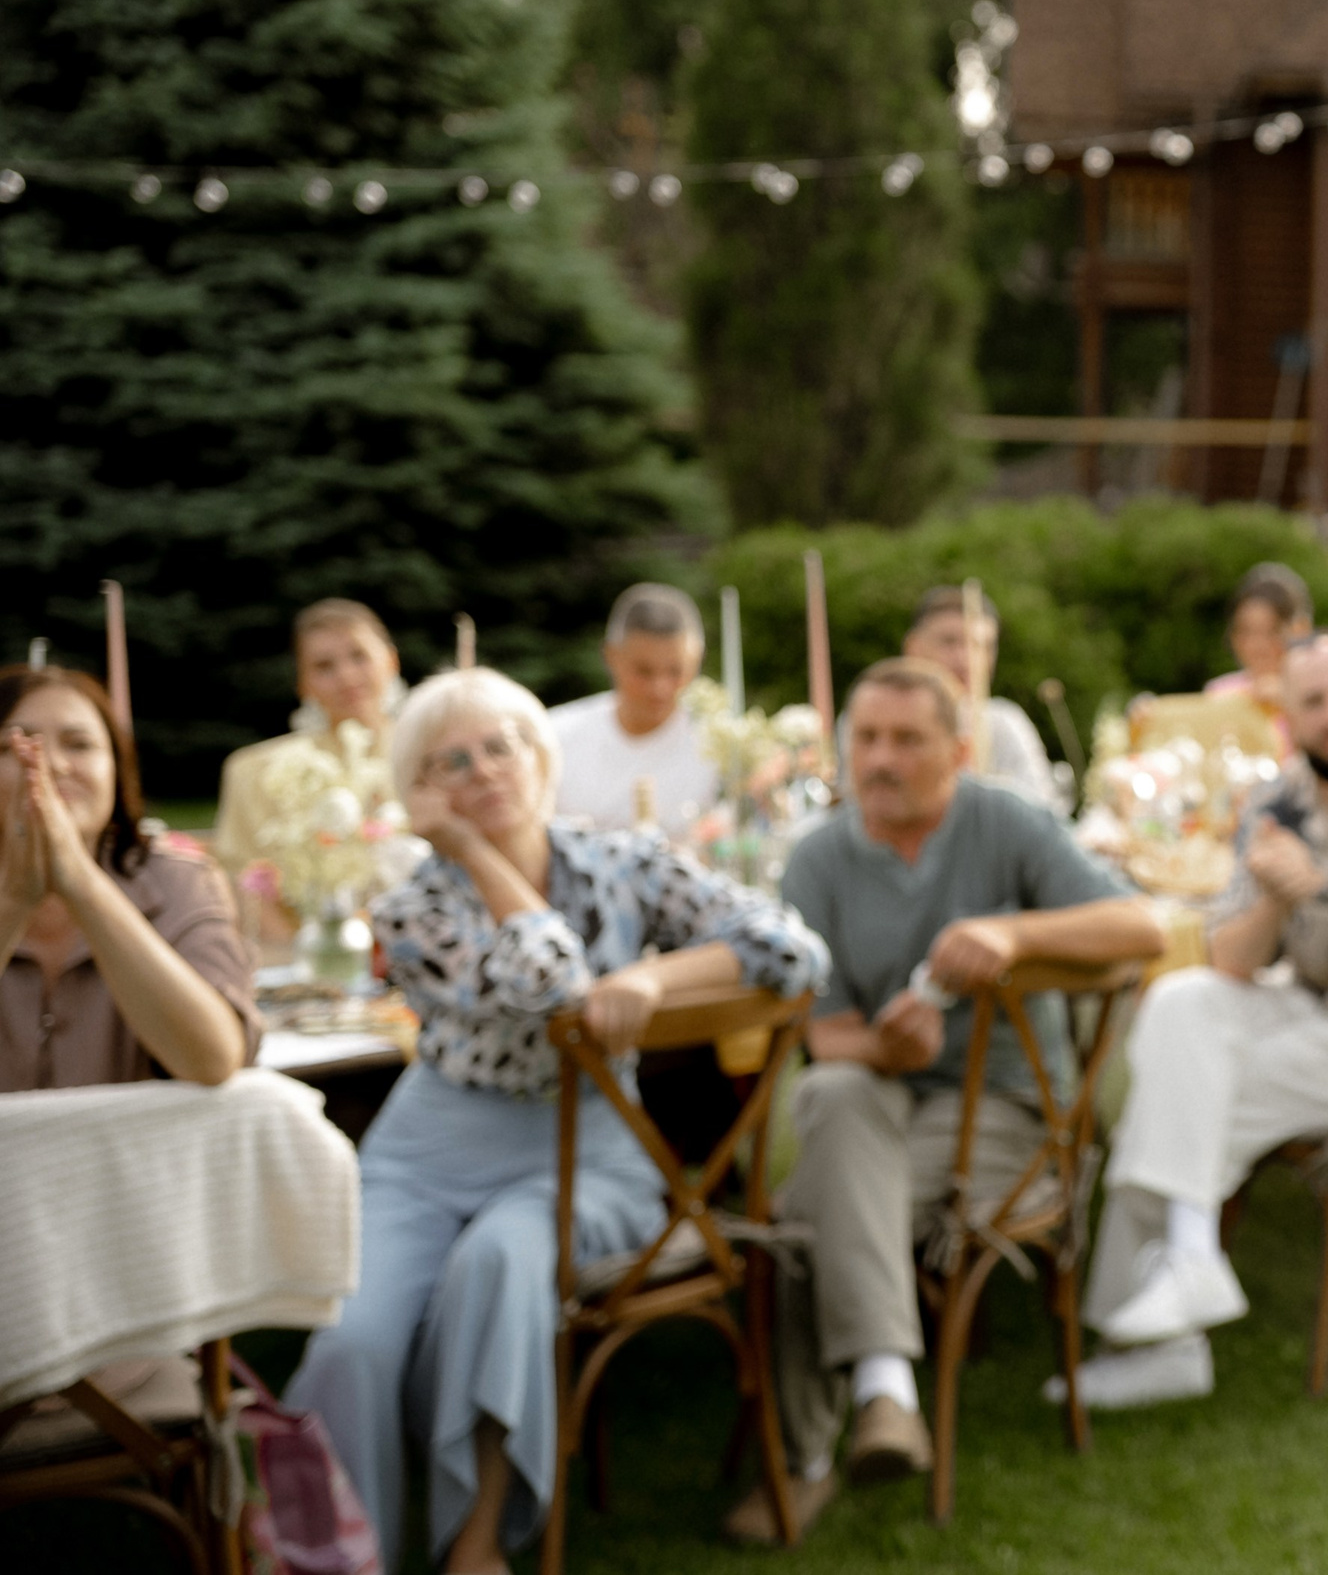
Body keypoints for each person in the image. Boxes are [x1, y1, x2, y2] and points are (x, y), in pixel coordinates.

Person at [284, 667, 826, 1573]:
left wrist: (652, 978)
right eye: (451, 761)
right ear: (418, 790)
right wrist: (473, 849)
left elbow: (793, 949)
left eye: (501, 746)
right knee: (353, 1340)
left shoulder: (621, 859)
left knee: (500, 1260)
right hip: (424, 1154)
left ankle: (480, 1540)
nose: (485, 770)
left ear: (540, 756)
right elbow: (549, 985)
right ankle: (343, 1556)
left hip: (590, 1156)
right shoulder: (413, 906)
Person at [728, 657, 1162, 1542]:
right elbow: (823, 1034)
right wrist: (884, 1043)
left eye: (906, 739)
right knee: (836, 1091)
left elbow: (1143, 926)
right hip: (881, 1097)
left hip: (1004, 1108)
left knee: (812, 1218)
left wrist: (1010, 929)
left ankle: (808, 1460)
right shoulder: (817, 857)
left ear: (958, 750)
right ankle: (886, 1390)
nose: (881, 759)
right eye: (866, 738)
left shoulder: (1005, 822)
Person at [1063, 633, 1328, 1409]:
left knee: (1174, 1100)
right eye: (1314, 701)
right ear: (1285, 715)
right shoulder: (1276, 799)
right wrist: (1275, 894)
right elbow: (1230, 959)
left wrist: (1326, 880)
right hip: (1318, 1018)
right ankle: (1188, 1263)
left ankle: (1158, 1339)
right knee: (1179, 1003)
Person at [0, 665, 257, 1090]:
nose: (50, 767)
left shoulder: (180, 882)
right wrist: (14, 902)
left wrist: (81, 883)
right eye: (16, 745)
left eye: (79, 744)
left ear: (117, 772)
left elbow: (213, 1060)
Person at [213, 598, 404, 950]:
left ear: (391, 661)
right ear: (303, 683)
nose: (346, 676)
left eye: (358, 656)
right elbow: (244, 881)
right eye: (324, 666)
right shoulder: (257, 772)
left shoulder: (430, 757)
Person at [548, 583, 721, 832]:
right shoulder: (556, 736)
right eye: (644, 671)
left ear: (697, 660)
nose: (659, 688)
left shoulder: (722, 747)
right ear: (611, 656)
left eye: (676, 671)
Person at [902, 586, 1064, 813]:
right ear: (914, 647)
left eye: (980, 645)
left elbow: (1043, 811)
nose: (966, 658)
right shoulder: (877, 721)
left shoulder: (1003, 723)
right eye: (950, 642)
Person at [1204, 562, 1315, 749]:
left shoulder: (1317, 693)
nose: (1257, 645)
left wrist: (1291, 703)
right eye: (1246, 632)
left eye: (1272, 632)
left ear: (1301, 630)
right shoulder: (1219, 693)